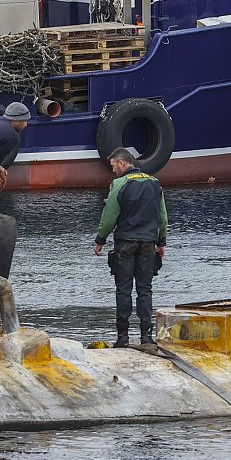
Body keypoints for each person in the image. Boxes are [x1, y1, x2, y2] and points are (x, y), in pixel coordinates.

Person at [93, 147, 169, 350]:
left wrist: (100, 239)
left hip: (125, 242)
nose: (113, 171)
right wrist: (161, 243)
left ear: (120, 162)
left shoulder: (119, 184)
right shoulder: (155, 183)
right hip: (148, 244)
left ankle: (123, 337)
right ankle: (146, 336)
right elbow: (162, 216)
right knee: (145, 289)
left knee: (123, 290)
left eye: (113, 166)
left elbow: (110, 216)